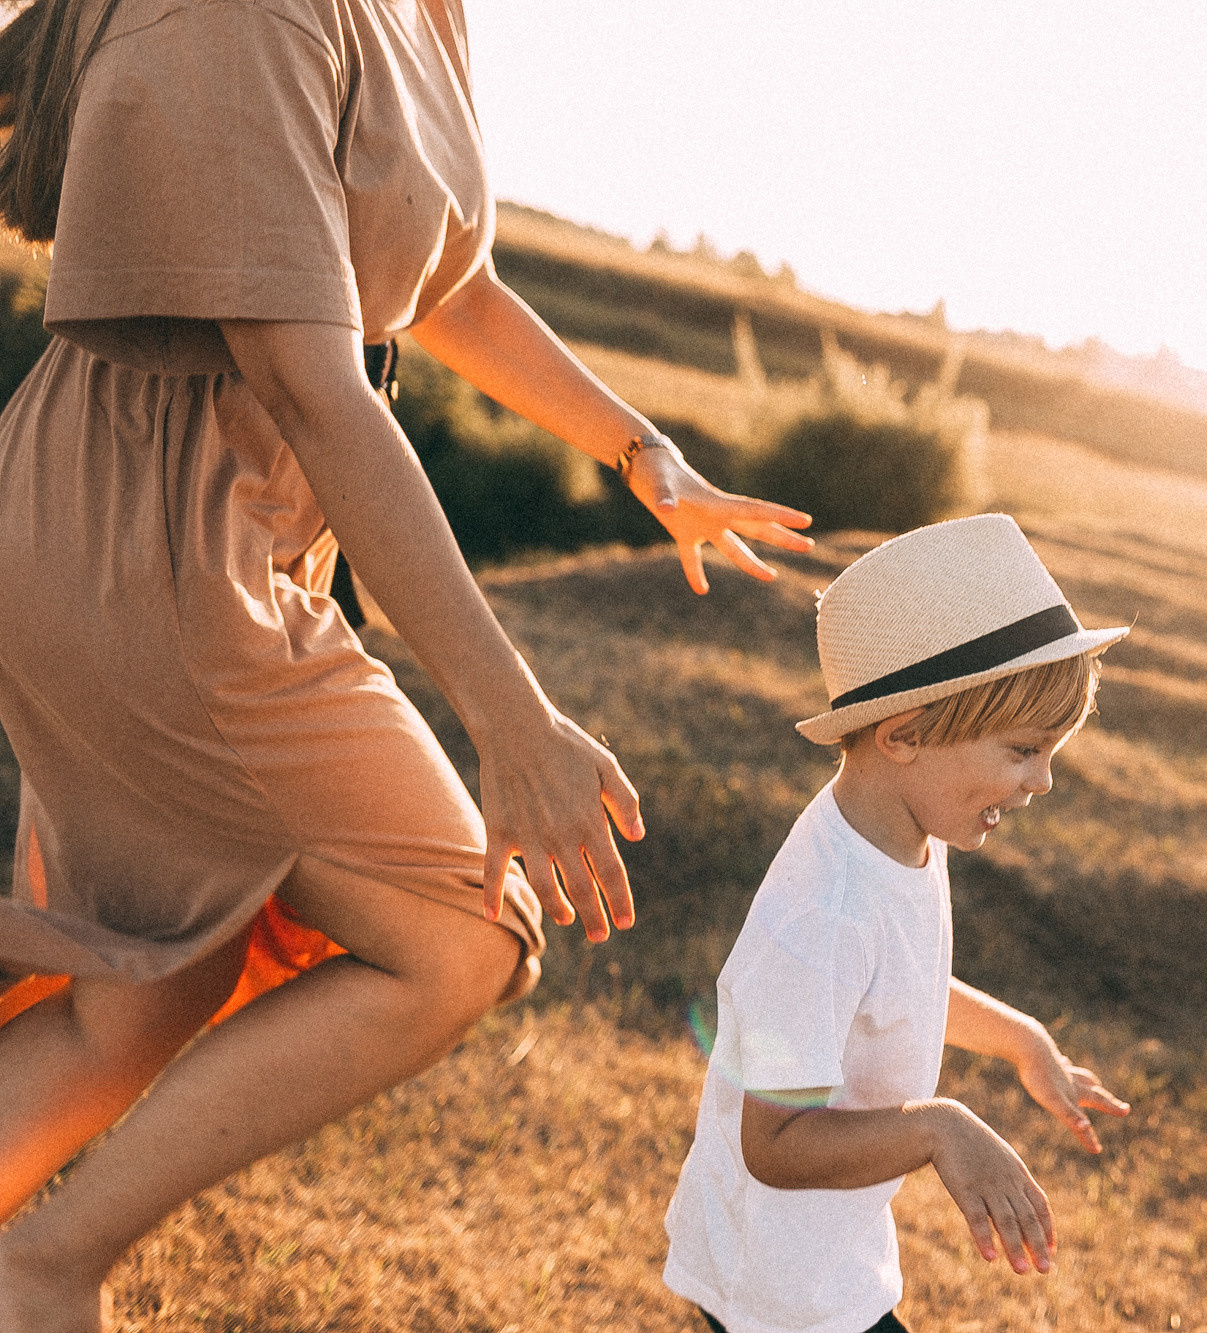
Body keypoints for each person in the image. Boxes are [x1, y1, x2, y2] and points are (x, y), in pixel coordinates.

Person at [0, 0, 812, 1326]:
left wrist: (640, 454)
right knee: (459, 925)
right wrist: (512, 717)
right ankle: (44, 1262)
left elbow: (455, 287)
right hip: (144, 538)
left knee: (147, 985)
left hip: (211, 538)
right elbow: (319, 385)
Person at [662, 514, 1131, 1333]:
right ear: (905, 734)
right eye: (1024, 749)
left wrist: (1021, 1038)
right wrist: (938, 1128)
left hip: (827, 1265)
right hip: (775, 1290)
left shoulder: (903, 830)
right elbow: (771, 1142)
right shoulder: (820, 915)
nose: (1044, 780)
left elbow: (897, 986)